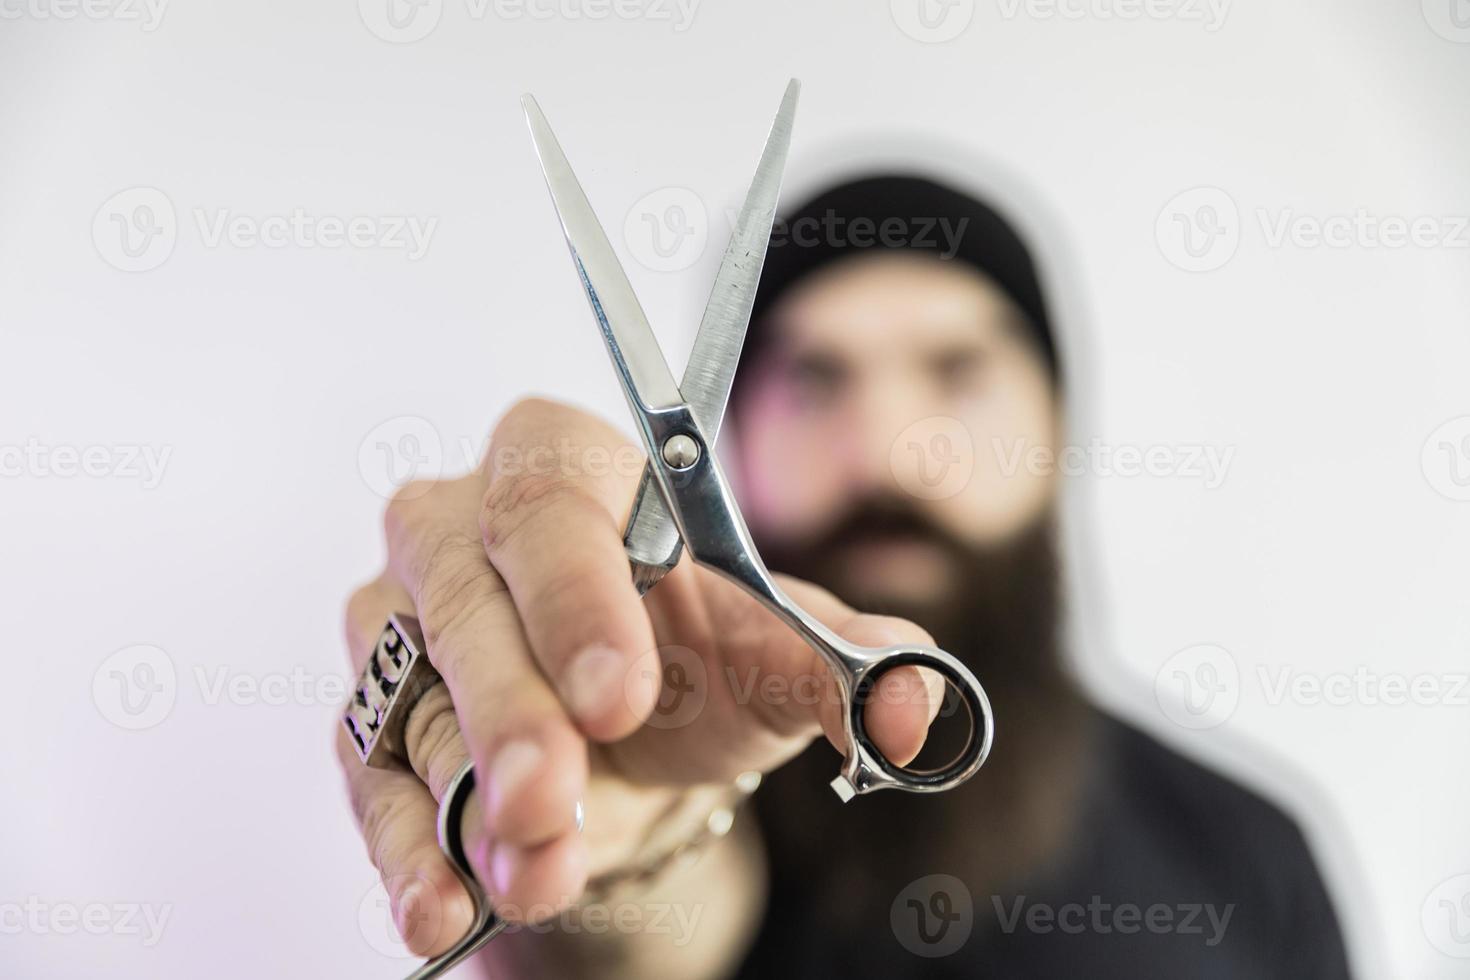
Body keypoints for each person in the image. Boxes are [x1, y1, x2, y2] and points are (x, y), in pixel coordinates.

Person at [334, 175, 1350, 978]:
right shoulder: (684, 764)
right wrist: (592, 849)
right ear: (731, 440)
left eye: (957, 370)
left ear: (1059, 427)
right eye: (815, 380)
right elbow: (657, 927)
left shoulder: (1246, 853)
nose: (886, 450)